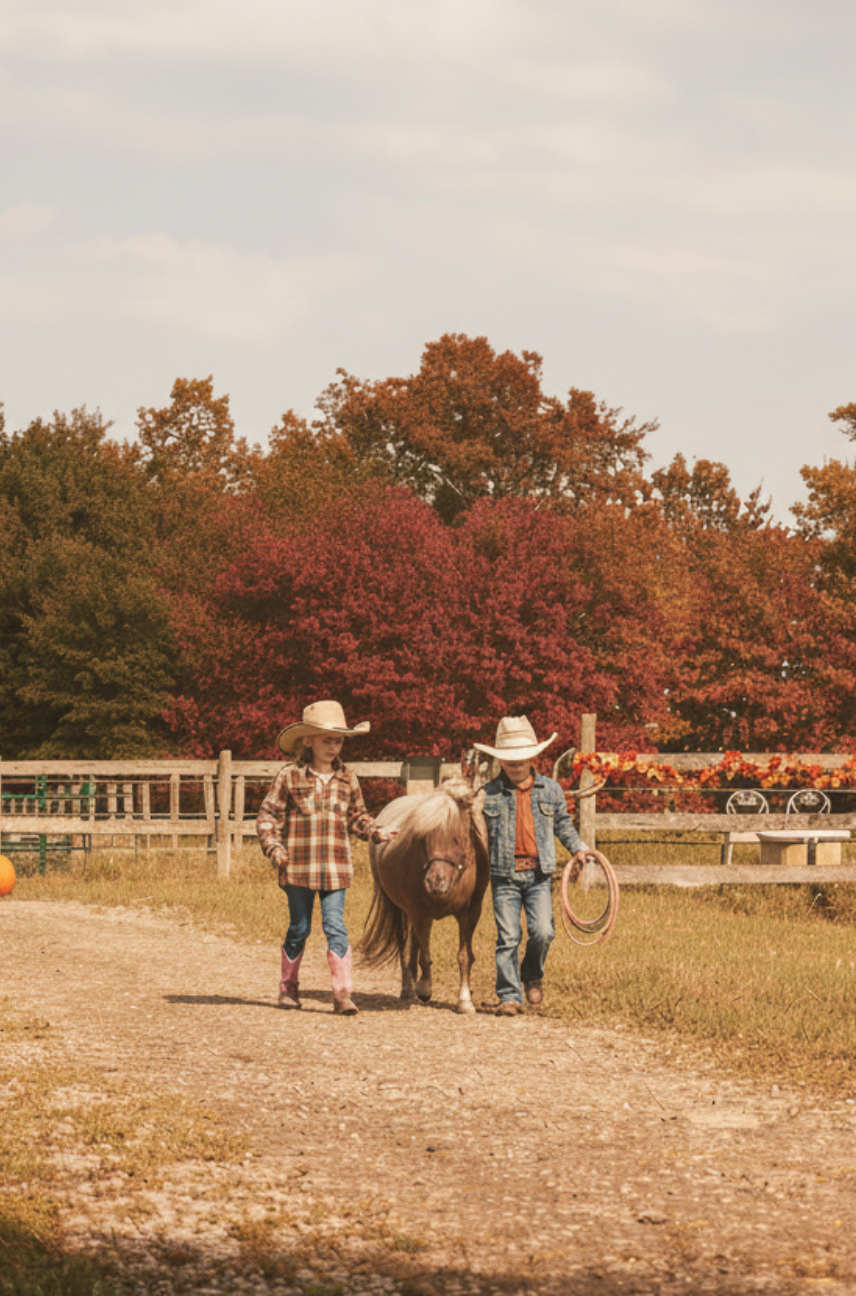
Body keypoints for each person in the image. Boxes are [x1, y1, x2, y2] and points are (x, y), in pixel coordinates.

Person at [256, 700, 398, 1015]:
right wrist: (274, 847)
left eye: (338, 740)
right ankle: (288, 988)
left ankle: (342, 994)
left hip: (335, 869)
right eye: (327, 740)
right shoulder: (290, 777)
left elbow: (357, 817)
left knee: (335, 926)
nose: (334, 746)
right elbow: (268, 815)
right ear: (308, 741)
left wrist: (376, 831)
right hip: (298, 868)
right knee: (299, 928)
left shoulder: (348, 778)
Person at [475, 716, 590, 1016]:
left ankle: (532, 973)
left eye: (522, 760)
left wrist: (578, 848)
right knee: (508, 937)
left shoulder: (550, 790)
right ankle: (509, 996)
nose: (516, 766)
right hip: (505, 876)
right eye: (510, 761)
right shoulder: (487, 794)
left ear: (532, 758)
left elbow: (563, 824)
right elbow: (476, 835)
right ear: (501, 761)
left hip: (539, 875)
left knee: (543, 932)